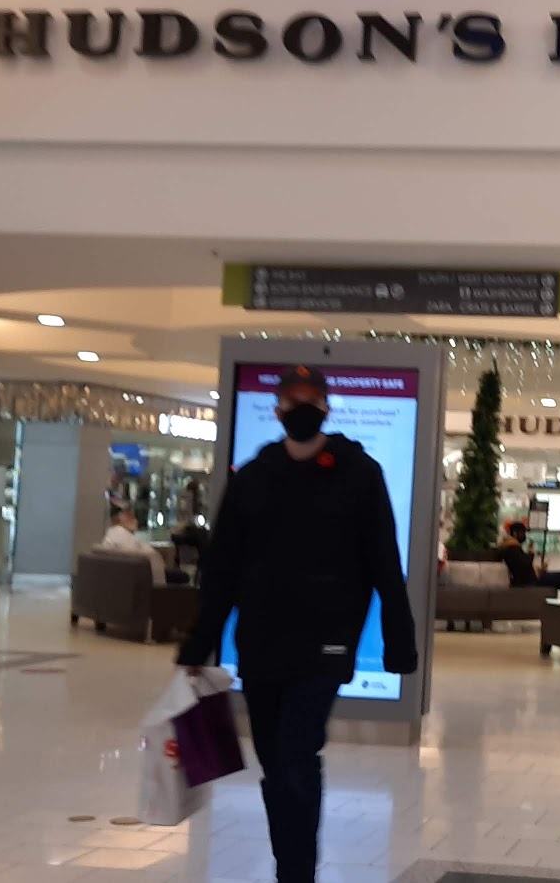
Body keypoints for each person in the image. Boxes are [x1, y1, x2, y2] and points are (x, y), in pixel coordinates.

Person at [177, 366, 419, 882]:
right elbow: (223, 569)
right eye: (293, 399)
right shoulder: (254, 476)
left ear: (327, 408)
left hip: (326, 642)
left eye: (312, 399)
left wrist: (400, 642)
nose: (302, 407)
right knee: (273, 761)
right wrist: (200, 642)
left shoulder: (359, 473)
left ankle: (296, 873)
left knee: (296, 754)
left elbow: (383, 560)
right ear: (278, 409)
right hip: (262, 642)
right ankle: (289, 862)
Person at [100, 505, 189, 585]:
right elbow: (137, 555)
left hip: (140, 575)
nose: (135, 520)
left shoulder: (113, 535)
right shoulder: (120, 534)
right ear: (120, 518)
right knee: (184, 577)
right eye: (130, 516)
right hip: (147, 577)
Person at [499, 521, 541, 588]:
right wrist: (531, 553)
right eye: (522, 533)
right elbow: (525, 563)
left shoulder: (513, 546)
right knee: (558, 578)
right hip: (526, 584)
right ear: (515, 533)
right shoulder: (512, 548)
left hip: (528, 581)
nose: (524, 536)